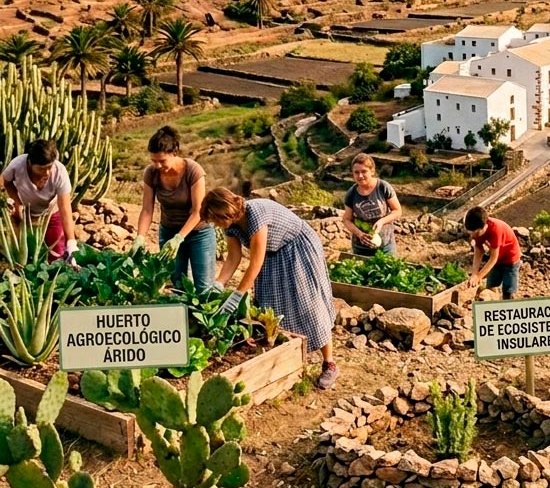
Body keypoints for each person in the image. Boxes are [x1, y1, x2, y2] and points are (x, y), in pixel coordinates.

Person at [203, 187, 339, 390]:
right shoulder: (230, 225)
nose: (214, 224)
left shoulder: (256, 213)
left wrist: (237, 295)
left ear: (224, 211)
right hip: (273, 255)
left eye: (214, 219)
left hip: (297, 248)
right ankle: (287, 360)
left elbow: (255, 263)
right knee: (269, 306)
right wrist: (219, 283)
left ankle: (329, 363)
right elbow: (233, 258)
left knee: (308, 303)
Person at [137, 126, 214, 289]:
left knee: (204, 286)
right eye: (153, 160)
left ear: (174, 153)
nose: (157, 165)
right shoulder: (151, 173)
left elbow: (197, 211)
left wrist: (179, 238)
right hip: (169, 231)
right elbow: (147, 210)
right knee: (176, 283)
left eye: (162, 161)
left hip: (198, 233)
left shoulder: (193, 171)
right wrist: (140, 237)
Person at [1, 139, 79, 262]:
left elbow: (65, 208)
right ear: (29, 163)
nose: (47, 172)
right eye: (42, 169)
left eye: (49, 167)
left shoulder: (60, 172)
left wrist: (71, 242)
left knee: (57, 255)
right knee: (19, 257)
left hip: (50, 214)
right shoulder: (18, 165)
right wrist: (17, 203)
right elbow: (5, 181)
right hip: (24, 214)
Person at [341, 154, 402, 256]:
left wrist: (381, 222)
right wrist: (360, 234)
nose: (360, 176)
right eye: (356, 172)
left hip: (386, 245)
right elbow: (346, 219)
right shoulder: (351, 194)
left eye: (364, 171)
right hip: (361, 247)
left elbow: (397, 211)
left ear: (372, 171)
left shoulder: (383, 187)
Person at [464, 206, 521, 299]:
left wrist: (479, 277)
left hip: (510, 259)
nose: (473, 236)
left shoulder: (495, 230)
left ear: (484, 227)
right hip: (497, 260)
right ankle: (494, 305)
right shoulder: (476, 231)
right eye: (470, 233)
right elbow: (479, 250)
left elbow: (494, 257)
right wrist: (474, 274)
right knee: (490, 287)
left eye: (475, 233)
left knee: (508, 292)